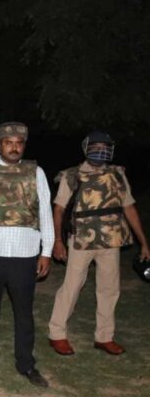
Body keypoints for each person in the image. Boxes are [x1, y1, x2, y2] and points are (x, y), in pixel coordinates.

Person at [48, 131, 150, 356]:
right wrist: (58, 241)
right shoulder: (72, 175)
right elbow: (59, 209)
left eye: (105, 147)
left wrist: (144, 243)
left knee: (109, 289)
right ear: (87, 148)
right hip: (81, 240)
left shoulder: (117, 174)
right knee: (72, 286)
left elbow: (129, 208)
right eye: (96, 147)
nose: (101, 151)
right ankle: (57, 333)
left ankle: (104, 337)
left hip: (111, 240)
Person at [0, 122, 52, 388]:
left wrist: (46, 251)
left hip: (26, 254)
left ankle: (26, 364)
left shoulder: (36, 172)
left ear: (23, 145)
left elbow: (45, 212)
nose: (14, 147)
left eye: (19, 143)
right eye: (8, 142)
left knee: (24, 314)